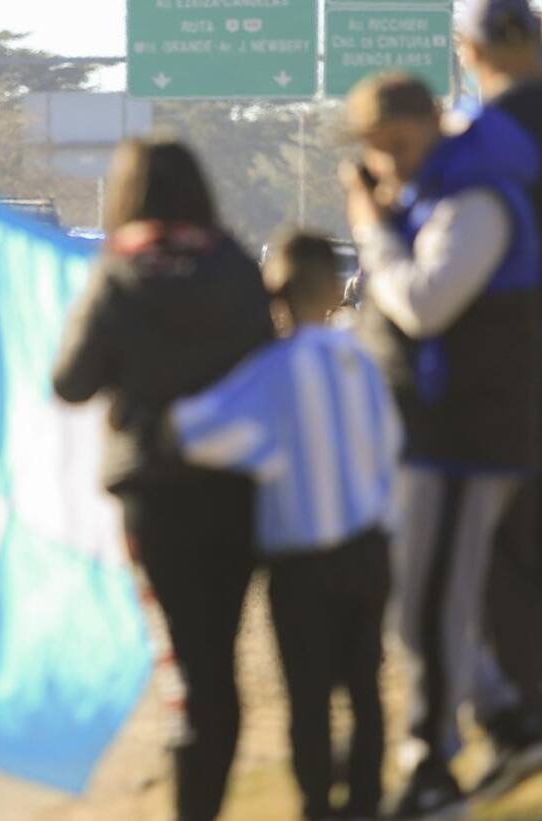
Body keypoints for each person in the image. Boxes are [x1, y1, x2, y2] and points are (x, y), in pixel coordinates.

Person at [52, 138, 273, 821]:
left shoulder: (120, 268)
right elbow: (268, 358)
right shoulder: (233, 262)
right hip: (235, 486)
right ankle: (208, 798)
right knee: (219, 657)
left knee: (181, 656)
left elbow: (71, 381)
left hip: (153, 490)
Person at [344, 72, 541, 819]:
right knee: (428, 600)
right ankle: (503, 716)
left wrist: (371, 227)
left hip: (468, 438)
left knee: (429, 606)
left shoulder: (477, 198)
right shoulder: (437, 193)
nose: (390, 164)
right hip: (441, 435)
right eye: (375, 152)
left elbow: (425, 305)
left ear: (435, 124)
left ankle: (432, 768)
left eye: (399, 145)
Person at [168, 233, 400, 821]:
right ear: (333, 289)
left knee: (310, 699)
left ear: (276, 293)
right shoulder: (361, 358)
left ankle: (318, 804)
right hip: (370, 550)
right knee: (365, 691)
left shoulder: (274, 368)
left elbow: (202, 433)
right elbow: (392, 443)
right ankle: (369, 801)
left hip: (304, 566)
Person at [456, 0, 542, 802]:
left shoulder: (483, 141)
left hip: (508, 382)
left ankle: (522, 720)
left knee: (499, 559)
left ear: (467, 50)